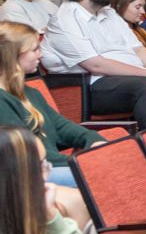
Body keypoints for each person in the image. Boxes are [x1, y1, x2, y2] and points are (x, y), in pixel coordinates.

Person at [40, 0, 146, 129]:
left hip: (128, 77)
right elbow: (95, 64)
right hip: (91, 87)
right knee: (145, 85)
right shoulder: (65, 19)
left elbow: (138, 49)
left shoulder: (109, 12)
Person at [0, 22, 102, 217]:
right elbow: (26, 152)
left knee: (115, 163)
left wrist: (92, 139)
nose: (41, 54)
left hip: (53, 167)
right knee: (100, 174)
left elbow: (62, 126)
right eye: (34, 49)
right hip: (31, 175)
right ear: (12, 56)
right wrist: (78, 161)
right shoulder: (2, 99)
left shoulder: (30, 92)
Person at [0, 126, 98, 234]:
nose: (47, 175)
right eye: (42, 166)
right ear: (14, 177)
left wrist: (52, 217)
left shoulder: (30, 217)